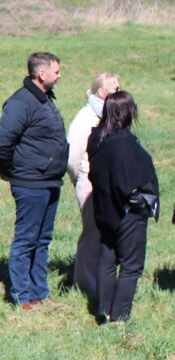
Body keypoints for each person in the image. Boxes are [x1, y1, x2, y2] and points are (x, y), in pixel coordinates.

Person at [0, 52, 67, 310]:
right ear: (41, 74)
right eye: (56, 72)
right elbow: (2, 144)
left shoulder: (45, 98)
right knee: (26, 240)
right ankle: (21, 297)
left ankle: (40, 292)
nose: (60, 76)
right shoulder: (20, 102)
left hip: (50, 181)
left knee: (42, 240)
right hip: (31, 183)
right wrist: (10, 173)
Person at [87, 91, 158, 324]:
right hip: (127, 212)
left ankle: (104, 310)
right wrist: (142, 203)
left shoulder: (97, 138)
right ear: (128, 112)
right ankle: (119, 317)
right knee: (131, 266)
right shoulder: (123, 143)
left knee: (108, 259)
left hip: (104, 210)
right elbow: (128, 180)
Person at [66, 72, 122, 298]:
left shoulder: (110, 115)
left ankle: (102, 280)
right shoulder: (86, 117)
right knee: (92, 233)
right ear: (102, 92)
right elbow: (71, 156)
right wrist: (81, 178)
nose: (120, 93)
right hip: (89, 182)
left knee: (106, 233)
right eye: (115, 89)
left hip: (108, 183)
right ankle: (84, 284)